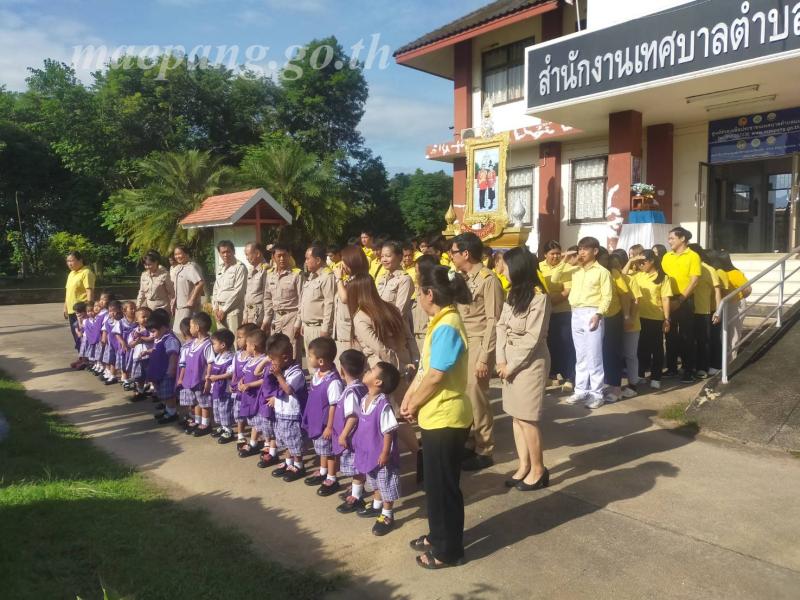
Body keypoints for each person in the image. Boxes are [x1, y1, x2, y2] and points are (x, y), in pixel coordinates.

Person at [401, 261, 473, 569]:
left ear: (430, 294)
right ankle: (438, 534)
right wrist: (409, 396)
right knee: (435, 485)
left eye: (418, 292)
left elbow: (436, 376)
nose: (417, 297)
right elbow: (425, 369)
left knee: (444, 489)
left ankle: (448, 551)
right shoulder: (440, 321)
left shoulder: (447, 325)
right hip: (436, 415)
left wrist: (414, 403)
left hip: (446, 417)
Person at [346, 273, 421, 472]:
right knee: (400, 414)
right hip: (403, 365)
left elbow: (379, 349)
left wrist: (397, 368)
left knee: (393, 416)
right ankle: (414, 454)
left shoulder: (361, 316)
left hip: (383, 372)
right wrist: (412, 362)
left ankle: (418, 454)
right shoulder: (390, 308)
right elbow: (409, 337)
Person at [496, 246, 551, 491]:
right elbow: (501, 327)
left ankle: (538, 470)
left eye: (506, 266)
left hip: (529, 364)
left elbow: (532, 338)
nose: (502, 271)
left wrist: (511, 366)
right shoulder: (513, 294)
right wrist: (501, 361)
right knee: (516, 417)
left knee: (528, 418)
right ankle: (524, 465)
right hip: (508, 362)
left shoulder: (539, 297)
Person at [449, 232, 503, 471]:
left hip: (480, 342)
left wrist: (484, 357)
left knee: (477, 395)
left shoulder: (488, 279)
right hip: (462, 342)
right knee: (464, 394)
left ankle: (485, 448)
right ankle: (470, 441)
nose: (451, 256)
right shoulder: (461, 278)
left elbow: (493, 320)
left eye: (454, 252)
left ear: (466, 253)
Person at [352, 361, 403, 536]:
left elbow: (388, 431)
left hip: (381, 456)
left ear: (378, 382)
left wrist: (385, 452)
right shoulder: (365, 399)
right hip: (369, 452)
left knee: (385, 483)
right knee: (374, 481)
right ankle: (376, 505)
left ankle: (387, 514)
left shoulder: (383, 405)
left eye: (372, 370)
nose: (368, 370)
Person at [566, 237, 612, 409]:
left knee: (594, 356)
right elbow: (556, 277)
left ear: (595, 251)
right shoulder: (575, 270)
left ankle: (597, 394)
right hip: (576, 312)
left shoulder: (602, 272)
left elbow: (607, 296)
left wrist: (599, 314)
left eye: (585, 249)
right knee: (581, 355)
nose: (582, 252)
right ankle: (580, 390)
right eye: (580, 249)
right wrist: (566, 260)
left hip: (592, 313)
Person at [302, 337, 344, 495]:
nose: (308, 358)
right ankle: (322, 470)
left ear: (320, 361)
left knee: (329, 451)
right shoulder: (317, 374)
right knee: (321, 449)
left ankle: (332, 478)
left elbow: (334, 406)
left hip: (325, 424)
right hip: (316, 420)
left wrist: (330, 426)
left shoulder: (333, 382)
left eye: (310, 356)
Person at [265, 333, 309, 482]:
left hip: (292, 414)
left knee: (294, 441)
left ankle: (299, 465)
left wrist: (278, 376)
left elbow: (289, 390)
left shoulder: (297, 373)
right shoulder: (282, 369)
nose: (272, 363)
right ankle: (288, 462)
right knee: (284, 439)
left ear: (284, 358)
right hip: (281, 412)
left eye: (273, 360)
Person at [661, 227, 702, 383]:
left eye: (672, 238)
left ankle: (688, 369)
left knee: (687, 336)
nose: (669, 241)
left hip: (685, 300)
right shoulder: (667, 256)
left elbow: (694, 281)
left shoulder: (693, 256)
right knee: (669, 335)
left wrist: (680, 300)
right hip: (668, 299)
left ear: (682, 238)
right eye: (669, 238)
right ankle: (671, 368)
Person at [334, 349, 369, 511]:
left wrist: (343, 435)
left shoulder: (351, 392)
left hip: (353, 438)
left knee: (357, 467)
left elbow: (353, 416)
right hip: (357, 437)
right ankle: (357, 489)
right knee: (356, 467)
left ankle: (356, 496)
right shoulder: (360, 388)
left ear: (342, 370)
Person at [539, 241, 575, 393]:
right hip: (544, 313)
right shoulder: (539, 267)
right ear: (545, 254)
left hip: (563, 312)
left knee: (566, 345)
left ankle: (570, 377)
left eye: (558, 253)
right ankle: (551, 375)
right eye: (552, 253)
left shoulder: (567, 267)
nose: (555, 256)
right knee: (549, 345)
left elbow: (567, 291)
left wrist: (550, 302)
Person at [633, 250, 672, 389]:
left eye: (643, 262)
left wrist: (667, 319)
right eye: (638, 262)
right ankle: (640, 374)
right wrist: (631, 261)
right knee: (640, 348)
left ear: (652, 261)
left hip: (655, 318)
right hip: (639, 317)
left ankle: (656, 377)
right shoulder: (638, 276)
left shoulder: (663, 278)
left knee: (656, 349)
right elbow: (623, 275)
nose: (640, 265)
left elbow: (665, 298)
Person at [377, 241, 419, 365]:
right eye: (382, 256)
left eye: (388, 256)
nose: (384, 259)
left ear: (399, 257)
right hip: (381, 331)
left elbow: (399, 311)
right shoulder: (382, 278)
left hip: (396, 334)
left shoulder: (404, 279)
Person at [688, 244, 722, 380]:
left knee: (703, 341)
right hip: (687, 310)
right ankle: (690, 366)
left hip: (703, 311)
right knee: (689, 341)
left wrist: (718, 311)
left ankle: (702, 367)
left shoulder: (709, 270)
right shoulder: (686, 268)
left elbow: (717, 291)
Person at [262, 244, 302, 357]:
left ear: (289, 256)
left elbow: (302, 300)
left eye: (284, 255)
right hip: (276, 318)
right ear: (273, 257)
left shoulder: (296, 275)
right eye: (279, 256)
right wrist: (266, 319)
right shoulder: (270, 275)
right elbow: (267, 298)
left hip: (292, 317)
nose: (282, 258)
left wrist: (298, 322)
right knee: (275, 350)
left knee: (292, 352)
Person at [332, 245, 371, 359]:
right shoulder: (349, 280)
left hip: (352, 335)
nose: (341, 264)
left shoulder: (361, 280)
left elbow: (345, 299)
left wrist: (339, 279)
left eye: (344, 261)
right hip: (342, 333)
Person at [236, 328, 270, 457]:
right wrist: (241, 382)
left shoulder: (264, 361)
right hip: (249, 396)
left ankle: (265, 444)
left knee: (262, 422)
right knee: (255, 421)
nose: (246, 347)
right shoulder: (251, 360)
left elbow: (265, 379)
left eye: (247, 345)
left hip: (258, 397)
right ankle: (254, 442)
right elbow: (246, 374)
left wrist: (249, 385)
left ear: (254, 347)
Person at [181, 312, 216, 436]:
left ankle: (206, 424)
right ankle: (197, 420)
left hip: (200, 380)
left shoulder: (207, 345)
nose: (189, 329)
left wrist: (208, 380)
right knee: (195, 402)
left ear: (197, 328)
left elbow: (210, 363)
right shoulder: (194, 342)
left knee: (204, 403)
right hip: (191, 379)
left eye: (191, 326)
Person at [300, 245, 336, 359]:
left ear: (318, 260)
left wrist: (325, 329)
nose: (305, 262)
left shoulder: (327, 277)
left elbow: (330, 304)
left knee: (320, 363)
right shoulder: (312, 276)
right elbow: (306, 301)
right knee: (311, 363)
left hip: (318, 328)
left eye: (308, 258)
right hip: (307, 328)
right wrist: (303, 323)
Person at [147, 309, 181, 424]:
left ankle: (172, 413)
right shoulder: (159, 338)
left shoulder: (170, 340)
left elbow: (173, 355)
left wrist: (171, 369)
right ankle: (167, 410)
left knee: (168, 395)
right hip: (159, 372)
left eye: (153, 331)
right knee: (162, 393)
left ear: (163, 328)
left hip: (166, 372)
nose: (152, 334)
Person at [64, 250, 96, 360]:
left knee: (83, 335)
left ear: (80, 260)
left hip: (82, 310)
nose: (69, 263)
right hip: (71, 310)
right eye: (67, 261)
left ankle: (88, 359)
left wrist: (89, 308)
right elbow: (68, 292)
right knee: (76, 335)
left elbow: (89, 291)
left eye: (72, 260)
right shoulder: (71, 274)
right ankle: (82, 357)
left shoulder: (86, 272)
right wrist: (65, 307)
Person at [212, 240, 247, 331]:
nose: (225, 255)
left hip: (233, 310)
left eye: (228, 251)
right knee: (221, 338)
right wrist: (215, 308)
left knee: (234, 338)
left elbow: (239, 292)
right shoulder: (220, 268)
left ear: (233, 251)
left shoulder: (240, 267)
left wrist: (224, 310)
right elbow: (216, 289)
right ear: (219, 253)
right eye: (223, 252)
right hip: (219, 311)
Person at [208, 328, 236, 439]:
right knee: (217, 408)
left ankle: (228, 430)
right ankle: (222, 427)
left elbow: (231, 373)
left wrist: (217, 377)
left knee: (225, 409)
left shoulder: (231, 358)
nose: (213, 346)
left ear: (223, 345)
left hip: (225, 389)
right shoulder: (218, 356)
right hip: (216, 388)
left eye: (214, 344)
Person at [171, 246, 205, 335]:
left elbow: (200, 283)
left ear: (186, 254)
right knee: (178, 331)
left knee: (185, 332)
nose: (177, 256)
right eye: (175, 254)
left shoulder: (191, 267)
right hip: (179, 306)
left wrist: (192, 300)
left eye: (180, 254)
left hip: (187, 307)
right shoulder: (179, 267)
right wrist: (174, 301)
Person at [127, 306, 153, 400]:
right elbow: (130, 344)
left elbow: (152, 338)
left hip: (149, 356)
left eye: (148, 317)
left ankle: (154, 390)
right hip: (138, 357)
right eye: (143, 317)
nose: (146, 319)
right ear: (137, 319)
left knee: (152, 374)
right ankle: (139, 391)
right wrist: (136, 341)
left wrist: (141, 338)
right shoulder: (134, 331)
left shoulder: (151, 330)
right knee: (139, 376)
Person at [243, 242, 270, 328]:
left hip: (260, 313)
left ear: (257, 253)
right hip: (249, 313)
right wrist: (245, 314)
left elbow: (268, 296)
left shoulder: (266, 270)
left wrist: (265, 318)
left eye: (248, 255)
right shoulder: (250, 270)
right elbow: (247, 294)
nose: (246, 258)